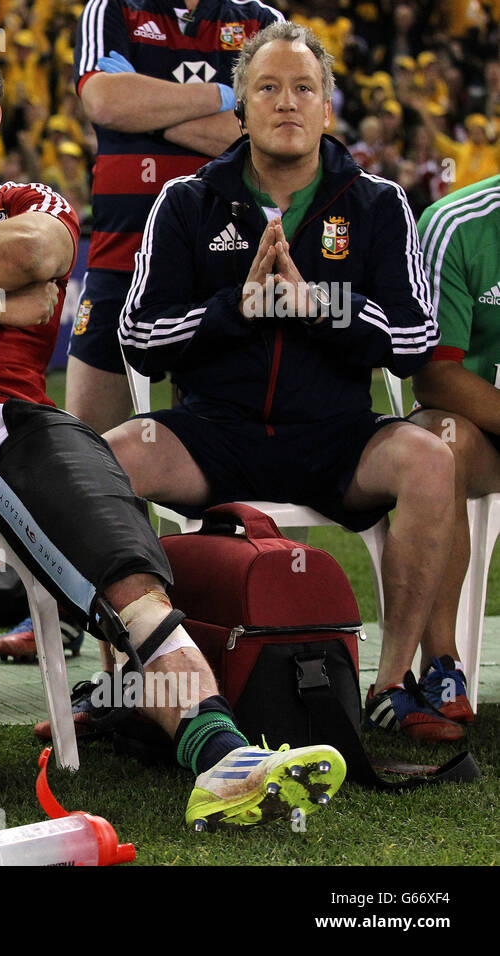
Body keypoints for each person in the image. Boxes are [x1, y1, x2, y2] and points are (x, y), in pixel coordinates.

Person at [0, 27, 346, 828]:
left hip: (19, 424)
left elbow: (35, 249)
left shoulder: (31, 201)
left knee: (128, 574)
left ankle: (221, 751)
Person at [108, 21, 461, 741]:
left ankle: (392, 684)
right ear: (240, 107)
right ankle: (129, 678)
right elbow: (140, 338)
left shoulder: (377, 203)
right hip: (214, 433)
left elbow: (416, 340)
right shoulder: (185, 200)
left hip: (335, 435)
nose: (287, 102)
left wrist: (319, 306)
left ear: (328, 107)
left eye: (305, 88)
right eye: (267, 88)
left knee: (431, 457)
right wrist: (236, 306)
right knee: (103, 459)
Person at [66, 0, 284, 436]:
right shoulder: (110, 9)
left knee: (221, 447)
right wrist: (225, 96)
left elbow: (270, 136)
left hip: (230, 262)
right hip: (121, 256)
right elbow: (106, 102)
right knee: (83, 446)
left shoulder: (261, 21)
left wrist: (145, 113)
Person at [404, 172, 500, 725]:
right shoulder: (456, 223)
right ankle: (442, 664)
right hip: (484, 428)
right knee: (442, 441)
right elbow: (435, 377)